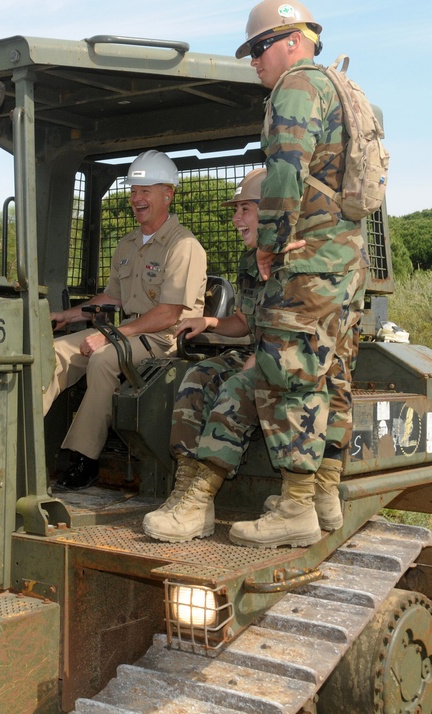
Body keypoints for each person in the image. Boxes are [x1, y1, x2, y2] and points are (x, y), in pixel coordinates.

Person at [227, 0, 367, 547]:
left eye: (260, 48)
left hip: (307, 262)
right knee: (332, 376)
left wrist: (270, 244)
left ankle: (294, 509)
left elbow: (286, 167)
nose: (255, 61)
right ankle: (325, 494)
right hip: (343, 261)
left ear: (293, 40)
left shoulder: (297, 86)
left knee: (288, 377)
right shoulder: (343, 88)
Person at [44, 150, 207, 490]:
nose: (137, 198)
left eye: (146, 190)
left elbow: (168, 314)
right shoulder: (129, 243)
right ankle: (24, 441)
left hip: (166, 337)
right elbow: (112, 297)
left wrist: (109, 336)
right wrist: (68, 315)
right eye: (133, 190)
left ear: (168, 193)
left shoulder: (184, 245)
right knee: (55, 351)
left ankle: (83, 458)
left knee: (104, 358)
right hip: (130, 332)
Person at [143, 169, 273, 541]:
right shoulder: (252, 262)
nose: (236, 219)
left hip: (291, 356)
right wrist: (212, 321)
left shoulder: (296, 260)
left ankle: (201, 496)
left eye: (245, 209)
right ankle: (185, 485)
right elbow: (245, 322)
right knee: (197, 377)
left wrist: (261, 356)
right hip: (258, 349)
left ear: (272, 211)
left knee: (236, 388)